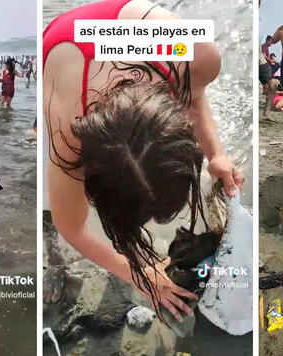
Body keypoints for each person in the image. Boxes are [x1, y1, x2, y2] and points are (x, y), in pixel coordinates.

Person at [43, 0, 243, 321]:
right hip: (61, 50)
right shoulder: (68, 133)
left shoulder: (199, 55)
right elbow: (71, 227)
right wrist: (140, 274)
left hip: (133, 32)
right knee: (51, 206)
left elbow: (194, 94)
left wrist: (216, 154)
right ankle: (54, 263)